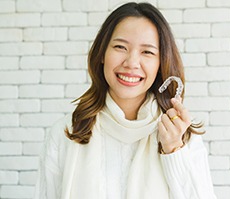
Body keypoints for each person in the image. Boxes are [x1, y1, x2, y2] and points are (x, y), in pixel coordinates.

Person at [34, 2, 216, 199]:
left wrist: (174, 150)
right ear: (102, 53)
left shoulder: (183, 137)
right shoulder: (65, 134)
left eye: (147, 52)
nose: (131, 63)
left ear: (160, 63)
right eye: (120, 47)